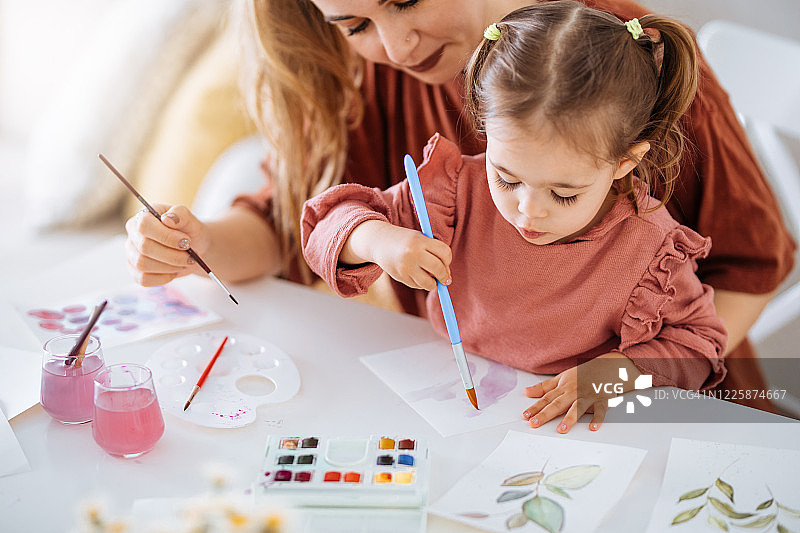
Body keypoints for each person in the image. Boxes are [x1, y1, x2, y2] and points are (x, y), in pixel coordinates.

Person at [123, 0, 795, 412]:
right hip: (477, 402)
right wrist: (200, 242)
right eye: (355, 24)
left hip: (658, 412)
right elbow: (300, 218)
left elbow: (750, 270)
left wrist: (621, 380)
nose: (396, 48)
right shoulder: (414, 129)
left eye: (406, 1)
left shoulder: (629, 66)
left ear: (628, 163)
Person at [300, 1, 728, 432]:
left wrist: (617, 374)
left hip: (572, 429)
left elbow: (701, 345)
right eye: (506, 178)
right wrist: (378, 240)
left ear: (624, 162)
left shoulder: (649, 247)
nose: (528, 210)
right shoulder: (456, 192)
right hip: (448, 392)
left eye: (563, 193)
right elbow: (324, 224)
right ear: (486, 131)